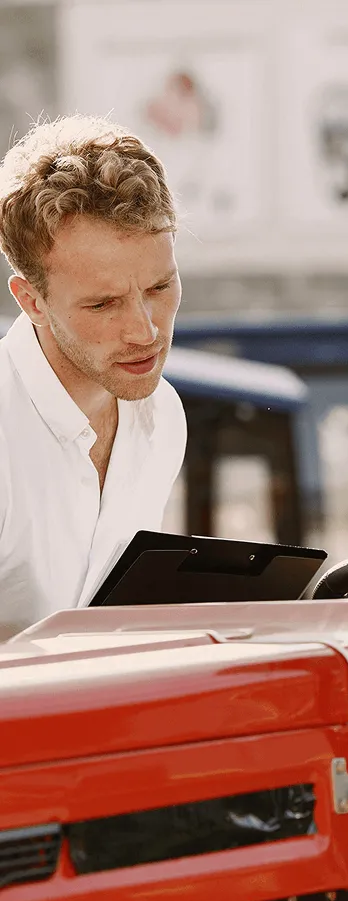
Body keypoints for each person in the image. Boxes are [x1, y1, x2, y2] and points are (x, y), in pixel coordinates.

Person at [0, 116, 187, 640]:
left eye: (159, 286)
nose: (144, 331)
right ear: (31, 301)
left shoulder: (162, 415)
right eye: (103, 304)